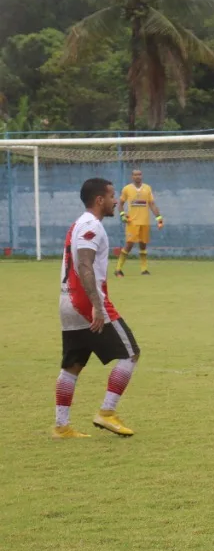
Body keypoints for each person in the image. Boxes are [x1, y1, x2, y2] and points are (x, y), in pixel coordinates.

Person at [54, 178, 142, 439]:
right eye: (112, 196)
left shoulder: (78, 224)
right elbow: (84, 265)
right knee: (131, 354)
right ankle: (107, 412)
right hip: (85, 303)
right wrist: (96, 305)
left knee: (72, 366)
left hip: (67, 302)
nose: (116, 201)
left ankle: (61, 426)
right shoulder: (91, 225)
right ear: (99, 200)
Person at [115, 168, 163, 276]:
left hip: (145, 222)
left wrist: (158, 217)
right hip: (132, 222)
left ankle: (144, 269)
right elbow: (120, 204)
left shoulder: (147, 188)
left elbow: (152, 204)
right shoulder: (127, 189)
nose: (138, 176)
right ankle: (118, 269)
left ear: (142, 176)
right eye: (135, 175)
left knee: (143, 245)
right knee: (129, 244)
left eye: (139, 174)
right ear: (132, 177)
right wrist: (122, 215)